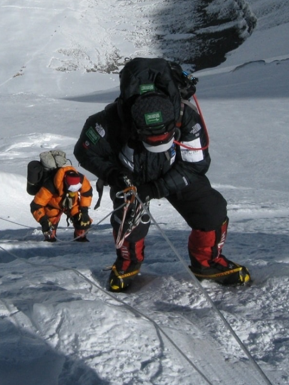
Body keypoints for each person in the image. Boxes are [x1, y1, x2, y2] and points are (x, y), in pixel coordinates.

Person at [74, 57, 250, 292]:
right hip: (130, 176)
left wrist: (157, 188)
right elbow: (84, 151)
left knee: (211, 209)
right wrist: (115, 175)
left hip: (174, 170)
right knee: (129, 222)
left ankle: (207, 264)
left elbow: (196, 164)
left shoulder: (186, 117)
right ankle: (128, 264)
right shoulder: (109, 122)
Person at [30, 166, 93, 242]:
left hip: (72, 204)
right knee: (50, 233)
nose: (73, 192)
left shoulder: (81, 179)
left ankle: (80, 236)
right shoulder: (50, 186)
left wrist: (84, 212)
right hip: (52, 207)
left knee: (83, 222)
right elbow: (36, 205)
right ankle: (51, 238)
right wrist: (44, 222)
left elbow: (87, 193)